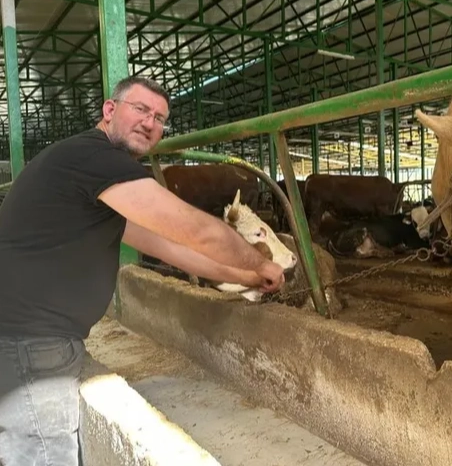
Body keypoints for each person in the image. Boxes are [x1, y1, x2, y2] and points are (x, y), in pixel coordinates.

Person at [0, 76, 285, 466]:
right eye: (140, 109)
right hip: (30, 345)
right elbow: (198, 232)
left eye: (160, 118)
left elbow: (169, 247)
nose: (150, 123)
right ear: (109, 110)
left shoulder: (95, 178)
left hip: (30, 340)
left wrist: (248, 278)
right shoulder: (98, 160)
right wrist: (261, 261)